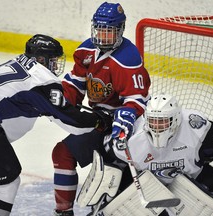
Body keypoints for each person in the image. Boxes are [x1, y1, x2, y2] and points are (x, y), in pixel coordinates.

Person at [0, 34, 110, 216]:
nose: (55, 66)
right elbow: (73, 124)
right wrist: (99, 120)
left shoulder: (18, 62)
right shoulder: (42, 79)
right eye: (53, 60)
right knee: (7, 185)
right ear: (41, 59)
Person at [51, 2, 151, 215]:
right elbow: (75, 84)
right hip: (100, 118)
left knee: (114, 167)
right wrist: (59, 101)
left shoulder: (127, 58)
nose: (102, 36)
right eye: (100, 30)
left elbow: (137, 99)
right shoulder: (86, 50)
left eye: (109, 32)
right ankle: (63, 212)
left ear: (120, 30)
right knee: (62, 154)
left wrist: (126, 116)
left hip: (129, 122)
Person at [98, 93, 213, 215]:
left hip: (194, 182)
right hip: (153, 189)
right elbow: (107, 161)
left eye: (162, 122)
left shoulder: (195, 127)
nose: (157, 127)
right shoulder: (131, 138)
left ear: (176, 119)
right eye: (153, 121)